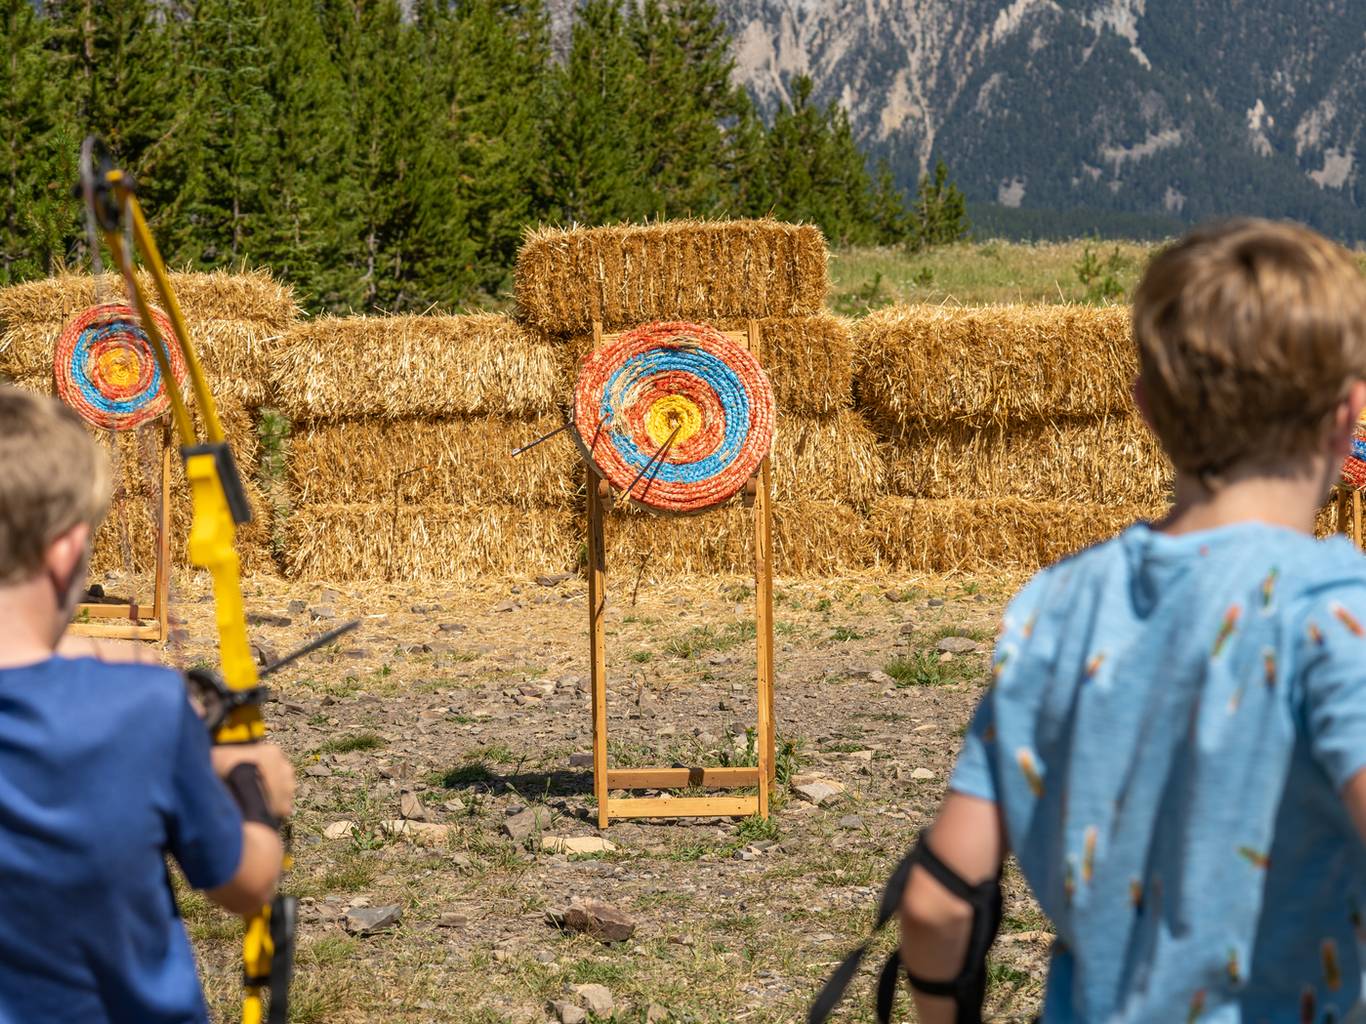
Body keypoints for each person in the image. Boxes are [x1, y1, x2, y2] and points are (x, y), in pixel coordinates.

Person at [898, 219, 1366, 1023]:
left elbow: (940, 903)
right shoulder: (1336, 612)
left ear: (1145, 408)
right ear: (1348, 415)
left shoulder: (1060, 603)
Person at [0, 385, 296, 1023]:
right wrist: (254, 788)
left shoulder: (137, 706)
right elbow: (244, 883)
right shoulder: (144, 710)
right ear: (68, 552)